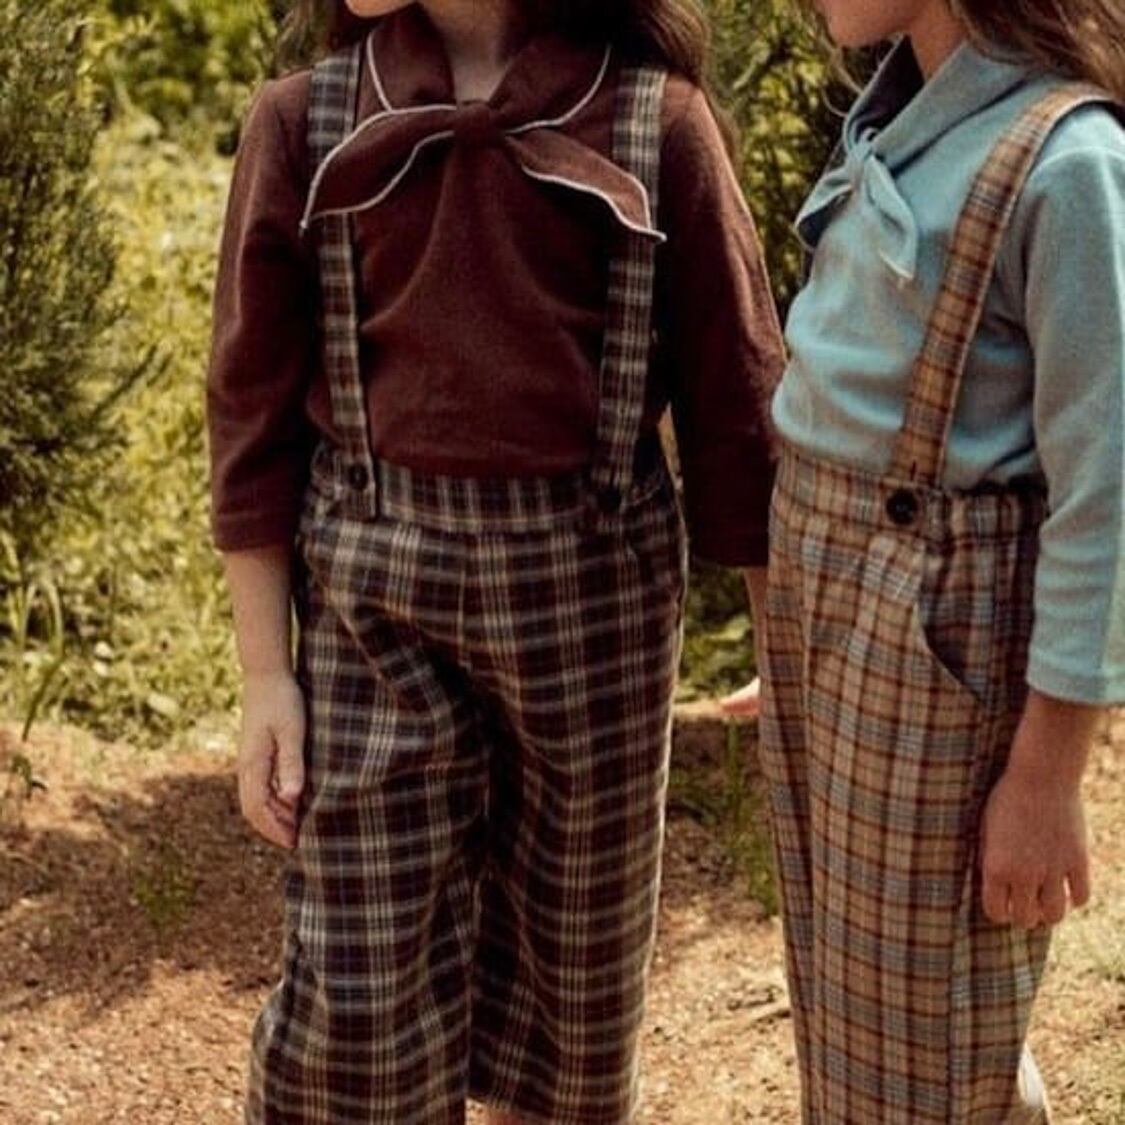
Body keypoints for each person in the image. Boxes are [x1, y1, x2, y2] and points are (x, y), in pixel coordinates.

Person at [206, 1, 784, 1120]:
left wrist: (785, 653)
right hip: (371, 616)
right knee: (353, 1004)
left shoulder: (655, 122)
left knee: (573, 1003)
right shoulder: (304, 121)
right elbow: (249, 414)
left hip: (595, 623)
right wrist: (265, 673)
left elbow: (737, 406)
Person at [727, 0, 1125, 1119]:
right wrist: (812, 621)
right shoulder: (905, 118)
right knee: (861, 1007)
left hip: (931, 638)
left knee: (918, 1044)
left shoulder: (1068, 165)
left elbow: (1105, 495)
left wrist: (1046, 775)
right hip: (836, 614)